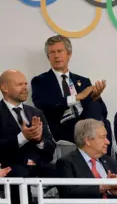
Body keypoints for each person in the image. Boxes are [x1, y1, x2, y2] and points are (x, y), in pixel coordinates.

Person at [31, 35, 112, 154]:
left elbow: (103, 112)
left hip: (86, 122)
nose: (56, 55)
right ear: (48, 57)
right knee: (96, 126)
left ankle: (106, 163)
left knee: (102, 120)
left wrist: (96, 97)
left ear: (69, 54)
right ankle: (102, 157)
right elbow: (42, 104)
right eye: (52, 52)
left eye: (60, 51)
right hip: (62, 125)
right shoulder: (40, 81)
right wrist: (76, 97)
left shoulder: (83, 81)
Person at [0, 70, 56, 204]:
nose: (25, 88)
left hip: (39, 165)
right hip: (11, 167)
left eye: (25, 84)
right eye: (20, 84)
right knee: (19, 173)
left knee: (65, 169)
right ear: (4, 88)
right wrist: (23, 137)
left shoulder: (36, 112)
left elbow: (51, 149)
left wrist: (39, 140)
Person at [56, 119, 117, 199]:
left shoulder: (110, 161)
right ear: (87, 140)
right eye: (102, 137)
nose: (108, 142)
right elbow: (68, 192)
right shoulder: (66, 163)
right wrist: (103, 187)